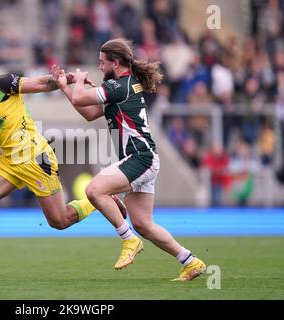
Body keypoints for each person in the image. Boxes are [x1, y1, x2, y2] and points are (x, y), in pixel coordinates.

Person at [0, 52, 126, 281]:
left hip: (34, 156)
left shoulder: (0, 83)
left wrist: (69, 78)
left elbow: (41, 83)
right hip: (9, 160)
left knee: (60, 220)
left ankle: (101, 201)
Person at [51, 38, 206, 281]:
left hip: (140, 157)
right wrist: (64, 87)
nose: (100, 67)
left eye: (102, 63)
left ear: (116, 62)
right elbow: (90, 113)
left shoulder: (120, 86)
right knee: (144, 224)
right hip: (143, 158)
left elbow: (81, 99)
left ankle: (128, 239)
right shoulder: (120, 87)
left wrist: (79, 81)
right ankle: (190, 261)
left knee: (94, 190)